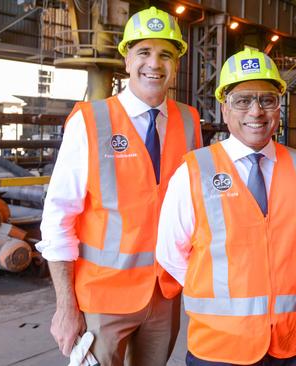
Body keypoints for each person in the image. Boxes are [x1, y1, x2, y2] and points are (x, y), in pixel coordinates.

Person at [36, 7, 202, 365]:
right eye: (143, 52)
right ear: (127, 59)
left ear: (176, 64)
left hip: (164, 297)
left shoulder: (190, 122)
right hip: (101, 301)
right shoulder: (90, 122)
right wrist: (65, 307)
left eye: (166, 55)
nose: (154, 64)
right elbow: (58, 218)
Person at [156, 46, 296, 366]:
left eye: (267, 100)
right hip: (220, 348)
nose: (256, 111)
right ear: (224, 107)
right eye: (243, 100)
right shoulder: (194, 171)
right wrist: (219, 292)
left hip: (291, 344)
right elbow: (170, 252)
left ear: (278, 107)